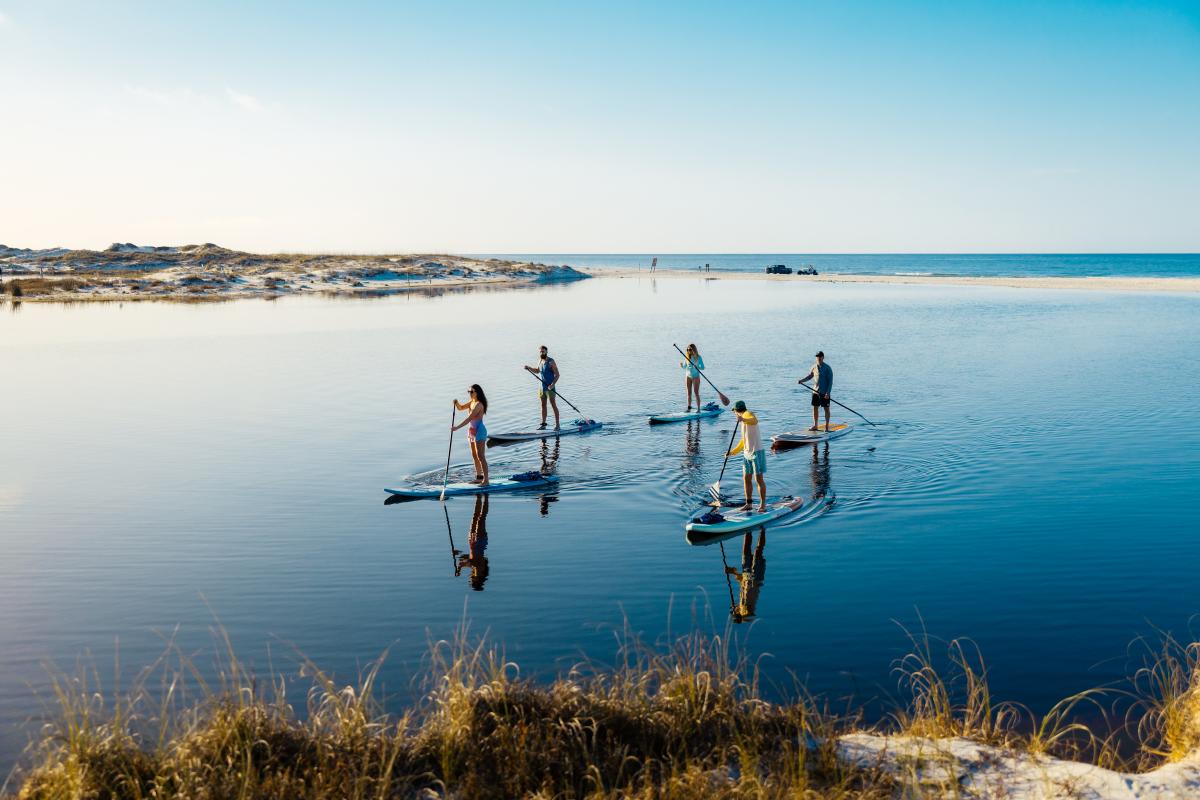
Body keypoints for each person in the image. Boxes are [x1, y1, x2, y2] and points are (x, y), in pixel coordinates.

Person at [728, 400, 767, 512]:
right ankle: (748, 504)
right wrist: (732, 452)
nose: (734, 414)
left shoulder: (748, 414)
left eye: (734, 412)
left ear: (736, 411)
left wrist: (743, 419)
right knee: (746, 478)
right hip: (746, 453)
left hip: (756, 452)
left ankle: (762, 505)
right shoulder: (742, 422)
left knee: (759, 479)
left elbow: (754, 420)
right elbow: (743, 440)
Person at [725, 529, 766, 623]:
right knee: (758, 551)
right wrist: (741, 615)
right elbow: (749, 613)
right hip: (756, 577)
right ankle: (762, 529)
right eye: (734, 611)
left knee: (745, 549)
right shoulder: (746, 611)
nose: (734, 609)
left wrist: (732, 572)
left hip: (746, 574)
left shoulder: (740, 604)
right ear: (738, 613)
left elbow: (743, 584)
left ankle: (748, 529)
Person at [452, 384, 489, 485]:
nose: (470, 394)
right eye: (469, 391)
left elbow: (469, 418)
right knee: (474, 455)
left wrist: (457, 427)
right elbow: (461, 408)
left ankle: (486, 480)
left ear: (477, 393)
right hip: (471, 431)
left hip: (479, 431)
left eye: (472, 392)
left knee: (481, 456)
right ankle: (479, 477)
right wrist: (456, 403)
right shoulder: (472, 402)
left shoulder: (479, 405)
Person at [455, 495, 490, 590]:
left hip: (471, 541)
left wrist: (458, 553)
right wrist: (460, 567)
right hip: (480, 542)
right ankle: (486, 497)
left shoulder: (473, 569)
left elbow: (469, 558)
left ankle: (478, 497)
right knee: (481, 518)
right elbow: (473, 562)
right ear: (478, 579)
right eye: (472, 579)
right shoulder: (481, 569)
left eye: (471, 579)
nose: (471, 578)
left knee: (475, 516)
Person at [524, 345, 560, 430]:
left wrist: (552, 384)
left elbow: (557, 375)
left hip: (550, 387)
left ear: (546, 352)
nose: (541, 353)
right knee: (543, 405)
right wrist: (529, 368)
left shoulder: (551, 361)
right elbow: (537, 370)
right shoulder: (540, 360)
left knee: (553, 405)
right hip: (542, 388)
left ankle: (557, 425)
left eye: (543, 351)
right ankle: (543, 424)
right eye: (540, 351)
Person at [798, 350, 833, 432]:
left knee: (826, 409)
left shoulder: (828, 368)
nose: (818, 358)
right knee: (815, 408)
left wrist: (828, 393)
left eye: (820, 356)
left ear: (823, 357)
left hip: (824, 393)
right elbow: (810, 376)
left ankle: (827, 427)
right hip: (815, 391)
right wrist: (802, 380)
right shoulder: (814, 367)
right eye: (817, 357)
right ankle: (815, 425)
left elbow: (830, 382)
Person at [680, 343, 705, 410]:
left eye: (690, 349)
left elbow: (702, 367)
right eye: (687, 349)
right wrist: (682, 365)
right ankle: (689, 408)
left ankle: (698, 409)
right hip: (688, 376)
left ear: (693, 349)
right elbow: (685, 367)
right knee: (688, 393)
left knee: (696, 393)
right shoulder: (687, 357)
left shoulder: (698, 357)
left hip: (695, 377)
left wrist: (697, 367)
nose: (688, 351)